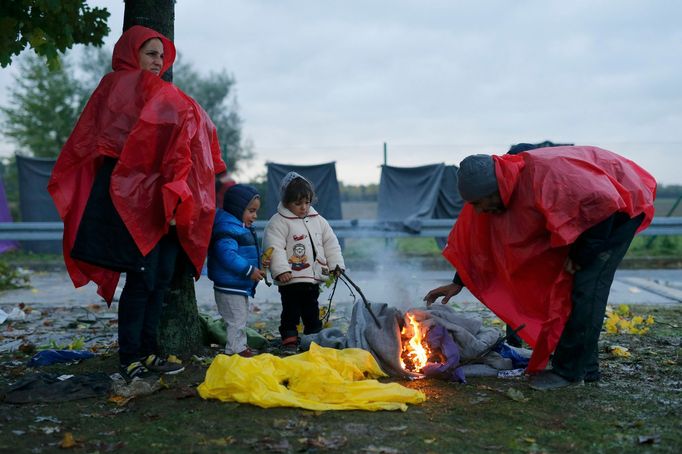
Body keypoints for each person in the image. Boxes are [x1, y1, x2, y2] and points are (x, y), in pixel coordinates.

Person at [48, 26, 226, 382]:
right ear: (132, 54)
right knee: (142, 279)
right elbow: (106, 142)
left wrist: (178, 191)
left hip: (164, 199)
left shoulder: (167, 95)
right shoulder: (116, 87)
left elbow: (182, 136)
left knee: (160, 279)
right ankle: (130, 356)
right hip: (130, 198)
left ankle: (149, 353)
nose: (158, 61)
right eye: (150, 53)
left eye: (162, 55)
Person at [424, 146, 656, 390]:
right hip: (589, 212)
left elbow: (604, 204)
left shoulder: (546, 180)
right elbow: (482, 242)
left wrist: (580, 255)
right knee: (564, 285)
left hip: (617, 207)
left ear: (495, 190)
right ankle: (585, 367)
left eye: (480, 203)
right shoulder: (495, 193)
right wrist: (458, 281)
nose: (479, 211)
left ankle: (570, 374)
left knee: (587, 287)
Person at [263, 172, 345, 352]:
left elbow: (330, 243)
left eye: (307, 202)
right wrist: (280, 270)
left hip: (312, 277)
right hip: (290, 278)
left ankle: (312, 339)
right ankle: (289, 339)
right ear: (286, 202)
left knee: (311, 309)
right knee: (290, 310)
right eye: (298, 203)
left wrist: (335, 265)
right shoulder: (278, 222)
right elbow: (274, 247)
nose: (303, 207)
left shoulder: (318, 220)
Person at [207, 184, 265, 357]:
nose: (255, 216)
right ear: (238, 209)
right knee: (237, 319)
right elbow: (226, 255)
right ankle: (236, 350)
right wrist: (249, 270)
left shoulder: (239, 227)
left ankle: (239, 347)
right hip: (229, 285)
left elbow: (245, 252)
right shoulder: (228, 229)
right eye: (251, 211)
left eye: (255, 211)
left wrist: (262, 260)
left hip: (236, 285)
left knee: (239, 317)